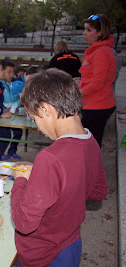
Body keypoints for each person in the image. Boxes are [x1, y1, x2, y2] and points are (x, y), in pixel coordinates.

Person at [11, 68, 107, 267]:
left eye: (34, 118)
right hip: (71, 244)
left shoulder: (50, 159)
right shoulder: (91, 142)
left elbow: (23, 222)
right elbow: (98, 192)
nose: (37, 127)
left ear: (46, 109)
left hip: (42, 254)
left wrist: (21, 180)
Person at [78, 14, 116, 147]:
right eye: (85, 29)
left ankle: (91, 168)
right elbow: (90, 78)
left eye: (89, 30)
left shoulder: (102, 52)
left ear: (99, 33)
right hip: (92, 104)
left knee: (90, 145)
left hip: (98, 106)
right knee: (89, 143)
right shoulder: (96, 51)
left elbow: (98, 83)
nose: (84, 33)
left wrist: (79, 92)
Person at [0, 60, 22, 160]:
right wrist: (19, 103)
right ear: (2, 72)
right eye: (9, 72)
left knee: (18, 132)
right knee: (5, 135)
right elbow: (4, 104)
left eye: (13, 72)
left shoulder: (8, 84)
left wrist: (18, 98)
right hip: (2, 116)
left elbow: (11, 99)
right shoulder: (0, 86)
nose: (12, 75)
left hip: (9, 115)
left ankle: (11, 151)